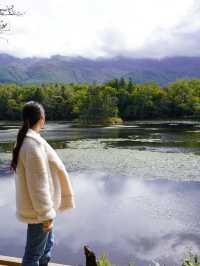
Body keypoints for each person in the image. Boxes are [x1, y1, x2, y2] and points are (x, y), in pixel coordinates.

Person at [10, 101, 75, 266]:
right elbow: (38, 185)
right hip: (39, 211)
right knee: (33, 255)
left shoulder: (30, 140)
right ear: (41, 118)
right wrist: (46, 215)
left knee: (46, 249)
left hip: (41, 209)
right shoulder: (31, 145)